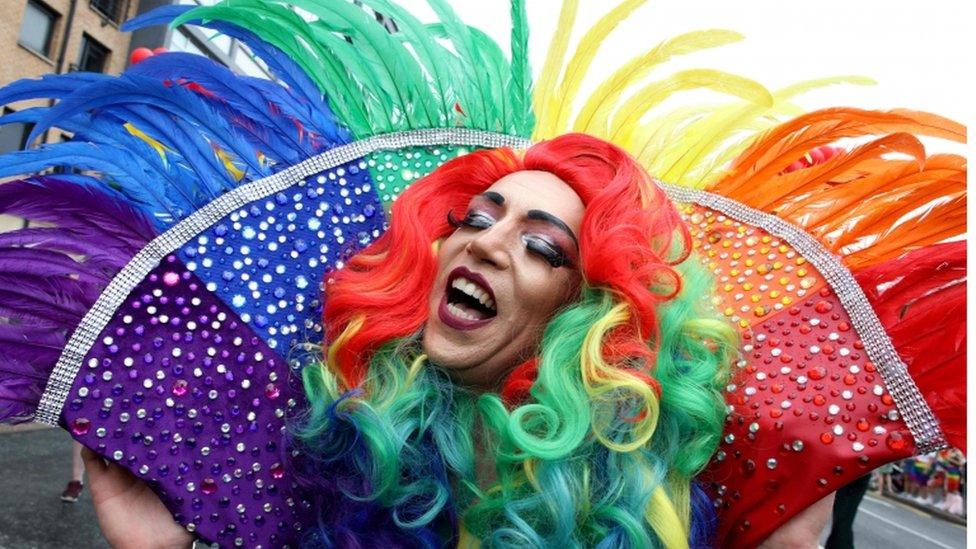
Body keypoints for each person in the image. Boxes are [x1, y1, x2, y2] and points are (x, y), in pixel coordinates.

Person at [0, 0, 965, 547]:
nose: (487, 243)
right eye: (473, 218)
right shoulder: (348, 455)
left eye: (546, 247)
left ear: (586, 320)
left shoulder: (639, 509)